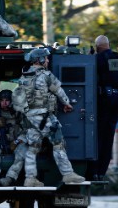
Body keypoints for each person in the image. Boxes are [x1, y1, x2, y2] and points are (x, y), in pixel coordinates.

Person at [14, 48, 85, 187]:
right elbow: (59, 91)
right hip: (45, 117)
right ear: (39, 60)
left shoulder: (23, 78)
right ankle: (67, 174)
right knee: (58, 143)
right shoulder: (46, 75)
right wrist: (67, 104)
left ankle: (30, 179)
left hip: (29, 118)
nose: (47, 60)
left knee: (33, 147)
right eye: (45, 58)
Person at [88, 35, 118, 181]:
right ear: (108, 45)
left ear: (97, 47)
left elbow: (91, 72)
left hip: (105, 100)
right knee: (109, 136)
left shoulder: (97, 59)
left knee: (98, 135)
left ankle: (93, 171)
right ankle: (101, 172)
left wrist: (90, 57)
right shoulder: (117, 57)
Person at [0, 90, 28, 186]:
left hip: (16, 141)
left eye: (7, 100)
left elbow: (26, 131)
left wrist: (16, 142)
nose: (4, 103)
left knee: (23, 152)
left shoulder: (19, 113)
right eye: (2, 100)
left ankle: (9, 178)